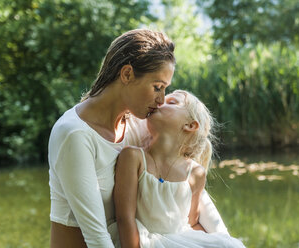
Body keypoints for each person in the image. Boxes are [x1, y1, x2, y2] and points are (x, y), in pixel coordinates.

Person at [48, 29, 228, 248]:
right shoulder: (74, 134)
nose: (161, 100)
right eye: (157, 87)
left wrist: (224, 240)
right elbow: (97, 238)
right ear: (127, 75)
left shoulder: (140, 121)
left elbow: (187, 190)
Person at [111, 90, 245, 248]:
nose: (160, 102)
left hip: (181, 239)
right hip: (143, 240)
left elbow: (191, 220)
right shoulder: (133, 157)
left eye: (171, 102)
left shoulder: (195, 173)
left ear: (190, 125)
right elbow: (124, 218)